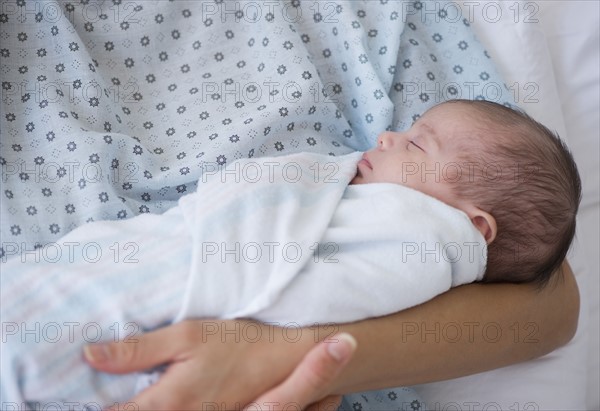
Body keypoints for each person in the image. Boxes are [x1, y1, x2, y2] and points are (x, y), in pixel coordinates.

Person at [1, 100, 581, 408]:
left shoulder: (428, 240)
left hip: (169, 315)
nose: (385, 137)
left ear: (474, 227)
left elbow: (315, 295)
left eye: (416, 142)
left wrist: (272, 354)